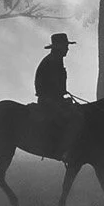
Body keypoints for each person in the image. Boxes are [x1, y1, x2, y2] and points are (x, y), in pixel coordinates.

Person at [34, 32, 81, 161]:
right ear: (58, 47)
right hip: (49, 100)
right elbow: (49, 85)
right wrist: (59, 96)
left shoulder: (54, 60)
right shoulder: (52, 61)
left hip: (52, 99)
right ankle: (62, 149)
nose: (67, 49)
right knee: (72, 118)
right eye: (65, 46)